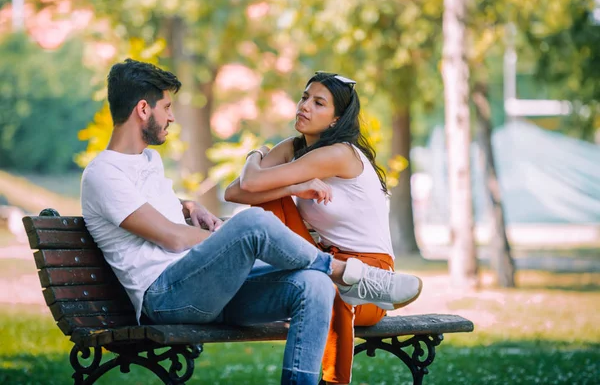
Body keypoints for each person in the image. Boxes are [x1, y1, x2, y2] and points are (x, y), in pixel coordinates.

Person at [80, 59, 422, 385]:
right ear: (143, 109)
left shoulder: (148, 161)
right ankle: (345, 272)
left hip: (206, 289)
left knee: (314, 285)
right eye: (167, 108)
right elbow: (171, 238)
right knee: (252, 226)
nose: (171, 117)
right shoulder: (103, 173)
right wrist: (232, 240)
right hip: (166, 297)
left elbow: (158, 214)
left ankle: (333, 283)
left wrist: (186, 205)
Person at [224, 71, 423, 384]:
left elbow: (250, 181)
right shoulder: (293, 147)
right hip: (324, 262)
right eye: (305, 97)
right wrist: (288, 181)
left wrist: (258, 156)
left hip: (370, 281)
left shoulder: (337, 153)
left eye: (319, 103)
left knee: (331, 290)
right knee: (275, 205)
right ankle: (328, 274)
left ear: (335, 120)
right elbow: (236, 191)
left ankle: (333, 381)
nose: (305, 106)